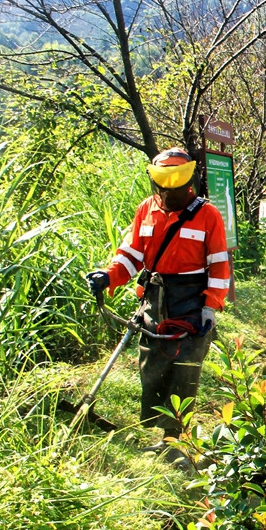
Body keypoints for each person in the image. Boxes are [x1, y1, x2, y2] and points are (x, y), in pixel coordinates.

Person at [85, 147, 230, 458]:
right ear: (156, 181)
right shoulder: (146, 210)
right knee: (153, 365)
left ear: (188, 181)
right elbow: (131, 255)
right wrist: (107, 276)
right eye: (163, 183)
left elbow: (219, 266)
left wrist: (209, 307)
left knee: (185, 369)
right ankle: (160, 430)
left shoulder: (207, 215)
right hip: (155, 298)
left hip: (191, 302)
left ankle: (175, 439)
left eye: (175, 183)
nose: (168, 191)